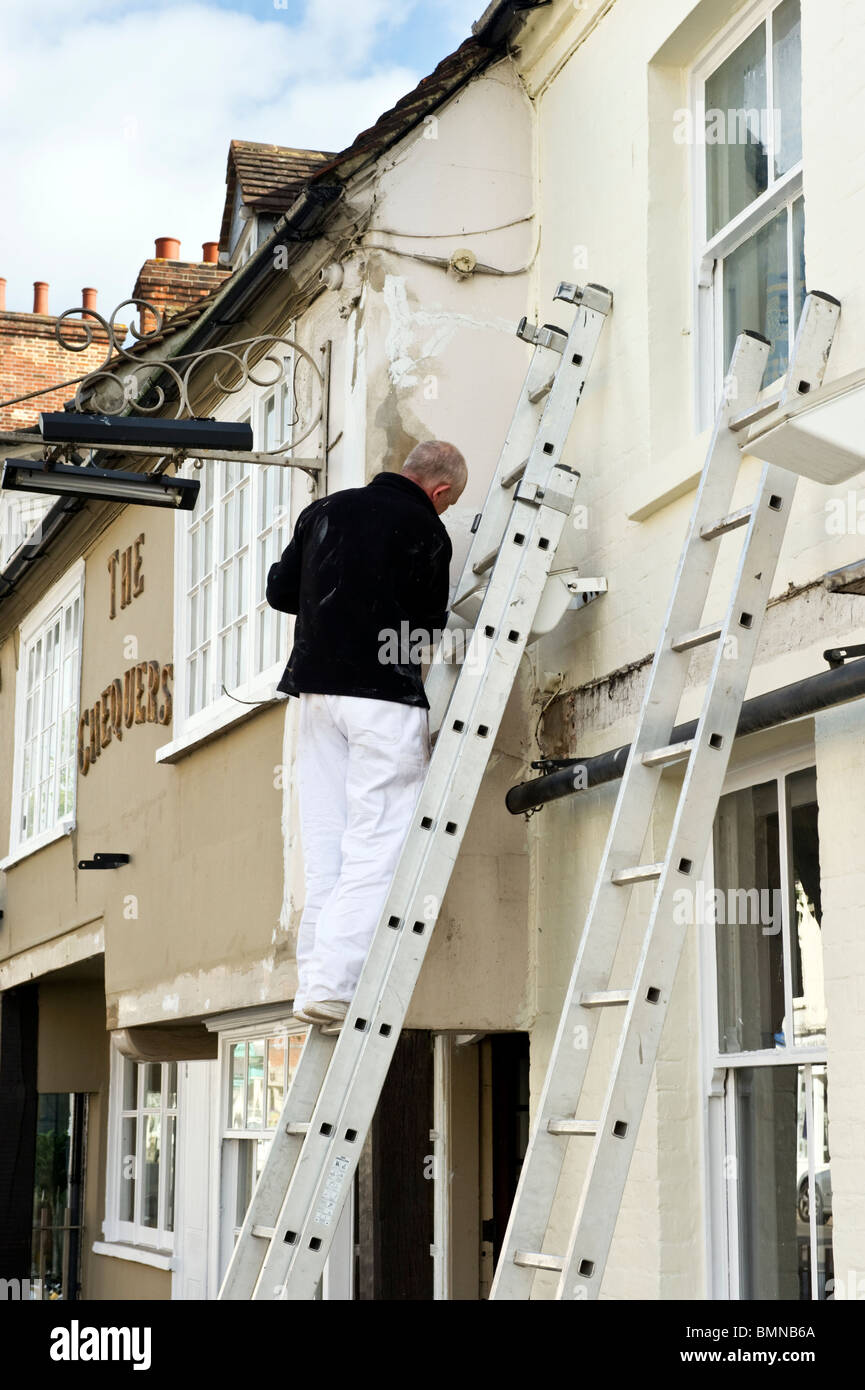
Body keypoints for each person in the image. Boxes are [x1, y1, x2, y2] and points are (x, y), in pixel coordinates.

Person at [266, 441, 468, 1033]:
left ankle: (314, 983)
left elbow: (281, 592)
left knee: (327, 843)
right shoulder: (426, 531)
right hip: (382, 696)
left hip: (315, 694)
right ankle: (333, 986)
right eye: (448, 504)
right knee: (379, 839)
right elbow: (427, 628)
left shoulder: (323, 511)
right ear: (440, 492)